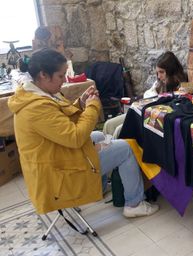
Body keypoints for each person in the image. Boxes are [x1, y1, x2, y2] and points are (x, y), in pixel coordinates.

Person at [8, 48, 158, 217]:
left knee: (99, 136)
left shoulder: (34, 93)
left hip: (54, 155)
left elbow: (59, 120)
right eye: (60, 75)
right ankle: (134, 204)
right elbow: (76, 137)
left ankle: (98, 189)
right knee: (125, 148)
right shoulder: (36, 107)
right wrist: (93, 106)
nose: (64, 80)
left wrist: (81, 103)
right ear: (43, 75)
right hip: (56, 173)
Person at [103, 51, 187, 137]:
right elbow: (148, 96)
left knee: (118, 130)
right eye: (157, 73)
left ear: (171, 71)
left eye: (161, 72)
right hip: (139, 113)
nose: (158, 76)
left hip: (150, 119)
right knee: (109, 124)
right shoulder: (160, 83)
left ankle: (115, 149)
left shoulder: (180, 88)